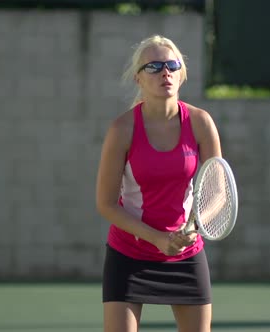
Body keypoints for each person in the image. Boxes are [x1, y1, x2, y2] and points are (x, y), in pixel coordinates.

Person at [95, 35, 222, 332]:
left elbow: (218, 193)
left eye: (171, 65)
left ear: (181, 74)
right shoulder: (122, 129)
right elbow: (106, 203)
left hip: (186, 254)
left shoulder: (202, 123)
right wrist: (157, 239)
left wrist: (192, 227)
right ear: (138, 78)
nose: (164, 72)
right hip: (129, 254)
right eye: (153, 66)